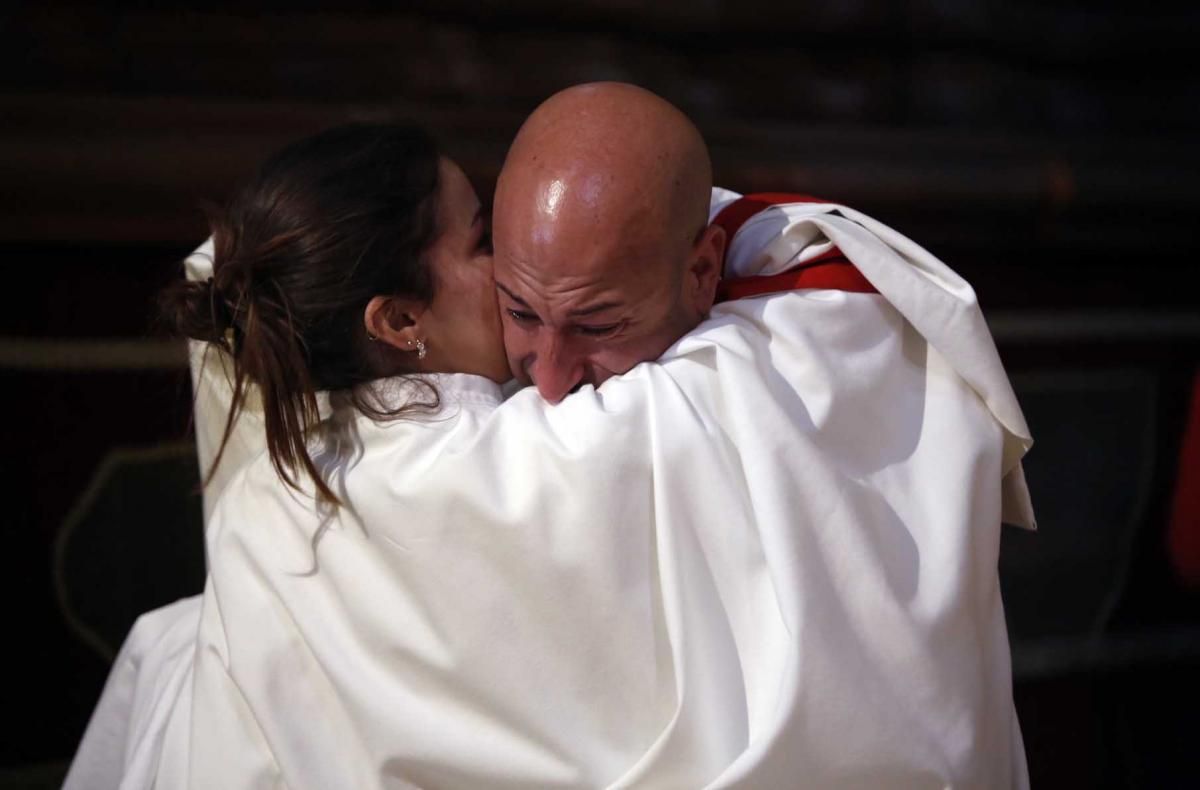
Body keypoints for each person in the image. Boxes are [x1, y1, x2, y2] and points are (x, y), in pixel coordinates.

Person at [69, 82, 1034, 789]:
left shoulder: (268, 453)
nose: (554, 373)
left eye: (598, 326)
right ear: (397, 321)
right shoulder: (605, 445)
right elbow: (843, 322)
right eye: (488, 244)